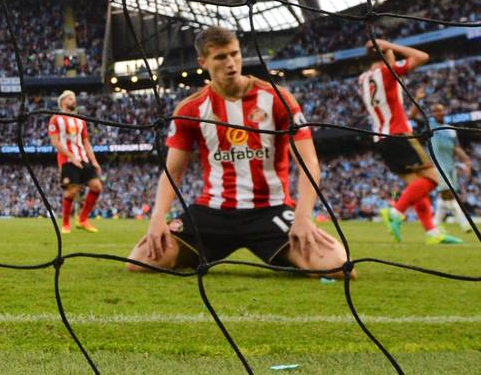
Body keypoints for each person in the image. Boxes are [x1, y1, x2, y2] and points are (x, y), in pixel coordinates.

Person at [126, 26, 349, 277]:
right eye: (221, 57)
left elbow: (308, 162)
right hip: (213, 213)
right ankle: (199, 252)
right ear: (203, 62)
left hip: (270, 209)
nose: (231, 63)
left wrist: (303, 216)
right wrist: (157, 218)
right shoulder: (190, 109)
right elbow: (173, 171)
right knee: (141, 261)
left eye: (235, 54)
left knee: (338, 267)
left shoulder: (277, 98)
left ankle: (287, 253)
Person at [358, 39, 460, 245]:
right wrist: (390, 45)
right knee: (433, 179)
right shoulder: (388, 71)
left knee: (416, 186)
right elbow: (422, 56)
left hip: (381, 139)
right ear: (386, 54)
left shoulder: (363, 78)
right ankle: (395, 213)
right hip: (399, 135)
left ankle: (431, 232)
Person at [49, 90, 103, 234]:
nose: (74, 100)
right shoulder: (56, 119)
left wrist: (94, 161)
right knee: (71, 192)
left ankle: (82, 219)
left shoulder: (81, 121)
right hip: (67, 160)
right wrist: (71, 157)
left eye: (74, 98)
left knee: (96, 186)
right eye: (70, 98)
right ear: (62, 101)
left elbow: (86, 143)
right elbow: (55, 142)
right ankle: (66, 224)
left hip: (83, 159)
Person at [426, 104, 472, 231]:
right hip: (438, 165)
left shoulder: (450, 129)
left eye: (441, 110)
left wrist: (467, 160)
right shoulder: (430, 124)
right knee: (448, 193)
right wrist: (417, 99)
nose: (439, 113)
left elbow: (456, 148)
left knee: (444, 196)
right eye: (436, 111)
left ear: (444, 111)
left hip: (450, 165)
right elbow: (412, 116)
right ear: (433, 113)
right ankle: (464, 223)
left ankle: (434, 225)